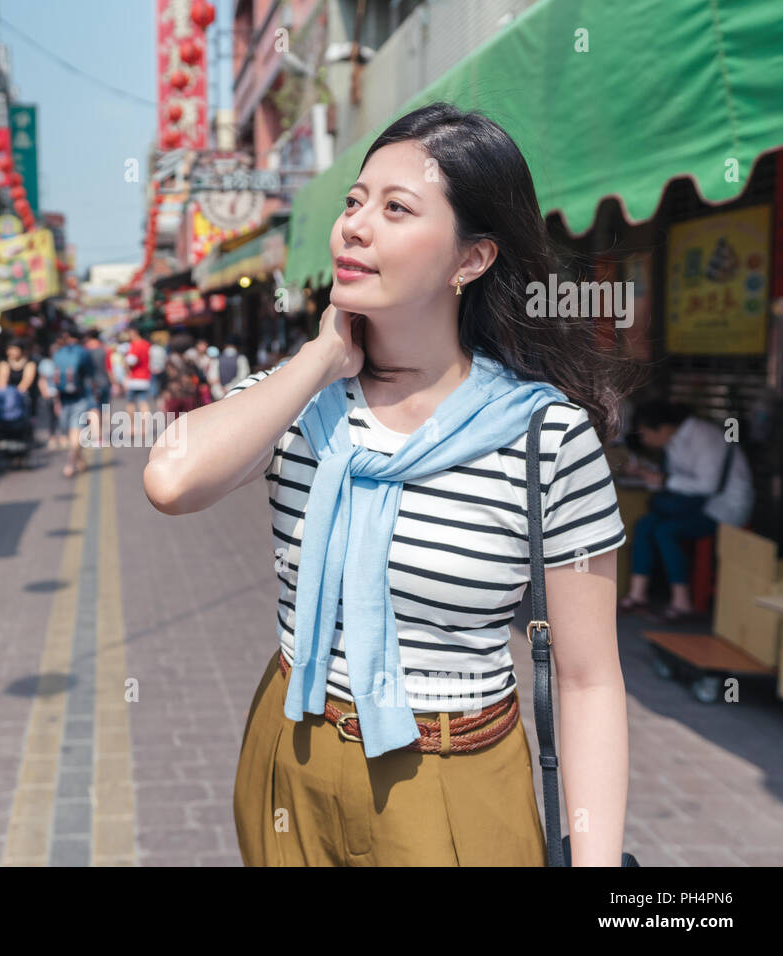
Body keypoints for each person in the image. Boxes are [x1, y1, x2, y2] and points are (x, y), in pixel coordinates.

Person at [144, 102, 644, 867]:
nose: (354, 225)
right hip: (291, 755)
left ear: (470, 260)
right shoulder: (299, 399)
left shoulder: (545, 437)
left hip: (451, 778)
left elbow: (586, 680)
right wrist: (320, 359)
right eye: (353, 201)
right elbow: (171, 480)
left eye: (396, 208)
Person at [618, 400, 753, 622]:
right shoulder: (674, 441)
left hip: (724, 507)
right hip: (697, 505)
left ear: (661, 429)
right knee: (644, 524)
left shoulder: (704, 437)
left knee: (665, 531)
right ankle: (637, 595)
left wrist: (665, 480)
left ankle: (682, 603)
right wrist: (648, 475)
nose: (643, 440)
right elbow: (676, 480)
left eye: (644, 434)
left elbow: (708, 485)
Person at [50, 324, 96, 478]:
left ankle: (75, 462)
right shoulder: (83, 353)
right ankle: (74, 462)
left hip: (63, 399)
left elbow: (54, 379)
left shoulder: (58, 353)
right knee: (75, 433)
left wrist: (56, 402)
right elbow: (90, 376)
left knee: (71, 434)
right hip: (80, 397)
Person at [123, 326, 154, 443]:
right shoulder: (147, 344)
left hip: (135, 378)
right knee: (143, 403)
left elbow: (131, 361)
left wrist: (125, 365)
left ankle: (132, 427)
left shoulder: (135, 345)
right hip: (145, 377)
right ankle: (145, 429)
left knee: (131, 403)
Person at [35, 342, 62, 451]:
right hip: (50, 393)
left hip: (62, 393)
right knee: (50, 417)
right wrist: (44, 391)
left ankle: (63, 437)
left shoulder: (63, 362)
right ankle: (52, 437)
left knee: (61, 416)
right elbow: (42, 378)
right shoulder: (45, 363)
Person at [209, 334, 251, 399]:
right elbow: (242, 377)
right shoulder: (241, 358)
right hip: (235, 394)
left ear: (225, 345)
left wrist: (220, 391)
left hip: (218, 395)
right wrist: (229, 388)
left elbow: (213, 378)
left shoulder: (217, 359)